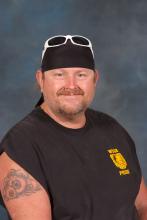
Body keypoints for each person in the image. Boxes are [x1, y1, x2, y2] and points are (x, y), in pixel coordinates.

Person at [0, 35, 147, 220]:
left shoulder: (113, 129)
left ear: (95, 79)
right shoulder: (21, 147)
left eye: (81, 75)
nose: (71, 85)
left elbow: (142, 205)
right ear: (41, 80)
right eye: (59, 74)